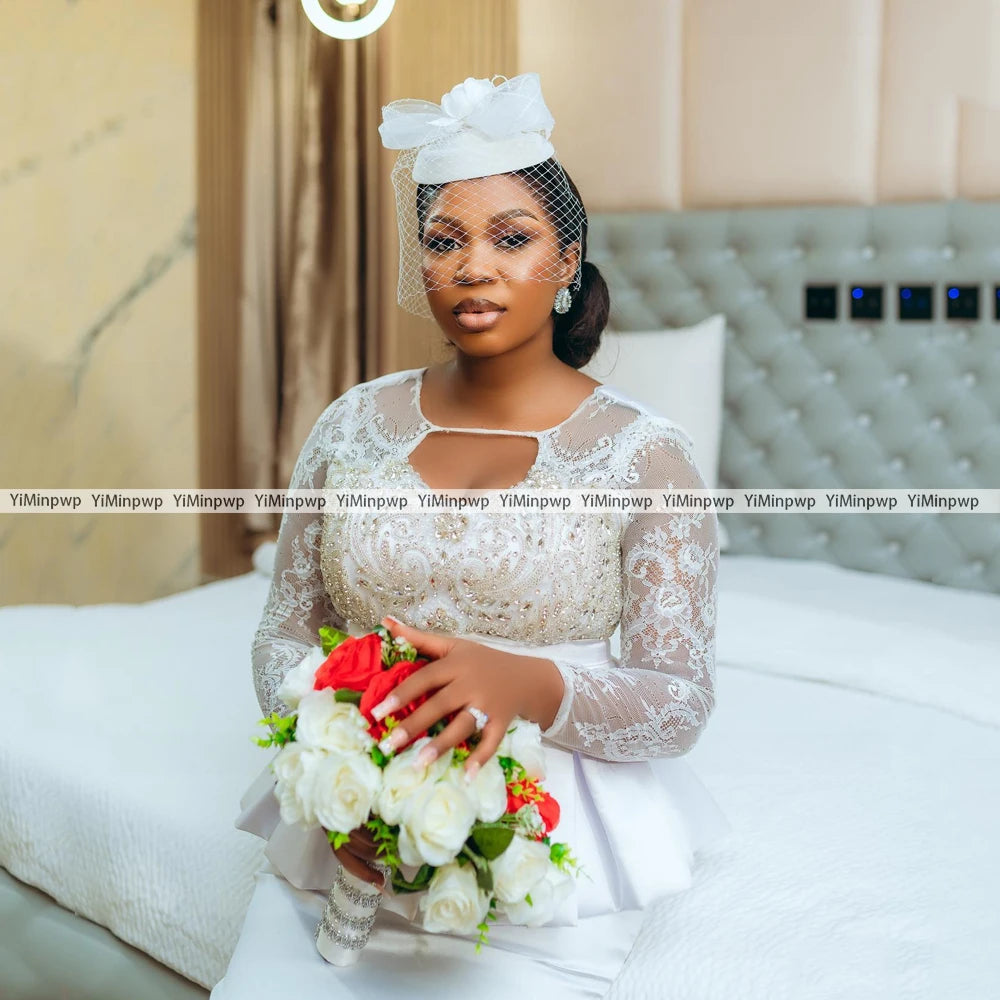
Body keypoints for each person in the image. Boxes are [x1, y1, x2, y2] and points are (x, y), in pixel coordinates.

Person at [211, 72, 732, 1000]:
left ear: (568, 260)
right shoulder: (352, 425)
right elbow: (286, 629)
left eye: (512, 238)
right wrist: (334, 759)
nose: (472, 267)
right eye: (444, 241)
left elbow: (677, 698)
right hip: (344, 840)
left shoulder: (647, 457)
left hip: (545, 848)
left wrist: (524, 680)